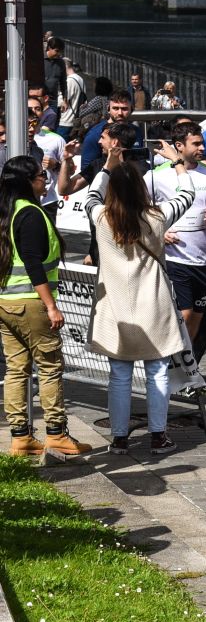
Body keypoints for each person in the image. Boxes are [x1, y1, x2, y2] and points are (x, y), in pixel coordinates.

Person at [83, 159, 200, 456]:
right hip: (154, 306)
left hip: (115, 309)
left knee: (119, 376)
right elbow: (188, 195)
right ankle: (158, 436)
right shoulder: (157, 218)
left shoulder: (101, 218)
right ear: (139, 188)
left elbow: (90, 197)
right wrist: (178, 163)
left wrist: (107, 168)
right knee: (157, 372)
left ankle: (119, 439)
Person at [0, 155, 86, 457]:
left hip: (7, 302)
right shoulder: (32, 214)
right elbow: (34, 265)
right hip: (33, 303)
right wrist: (51, 306)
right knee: (50, 368)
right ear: (27, 181)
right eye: (40, 175)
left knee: (16, 370)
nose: (45, 179)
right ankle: (56, 433)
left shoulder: (7, 211)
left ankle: (21, 437)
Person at [146, 119, 206, 390]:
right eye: (196, 143)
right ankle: (170, 371)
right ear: (179, 146)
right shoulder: (158, 175)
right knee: (185, 314)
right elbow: (141, 210)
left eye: (202, 142)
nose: (202, 147)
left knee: (197, 320)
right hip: (176, 257)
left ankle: (183, 371)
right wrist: (160, 232)